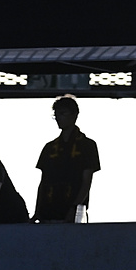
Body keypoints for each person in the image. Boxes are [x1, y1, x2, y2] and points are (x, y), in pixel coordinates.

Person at [33, 95, 99, 223]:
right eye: (56, 114)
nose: (58, 118)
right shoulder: (49, 147)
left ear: (75, 115)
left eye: (62, 113)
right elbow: (43, 182)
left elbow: (86, 182)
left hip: (72, 208)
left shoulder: (87, 145)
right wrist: (38, 211)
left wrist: (75, 208)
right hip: (49, 208)